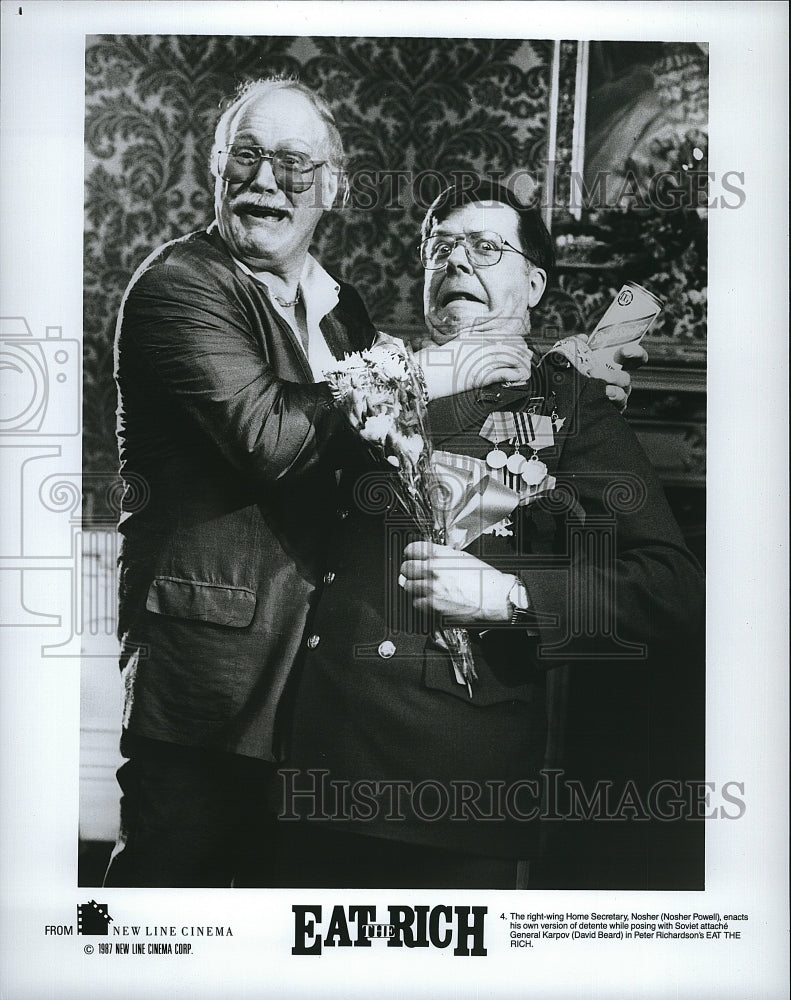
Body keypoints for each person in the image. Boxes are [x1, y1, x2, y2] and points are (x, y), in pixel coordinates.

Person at [105, 76, 643, 887]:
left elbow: (661, 586)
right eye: (244, 157)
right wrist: (435, 363)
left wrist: (507, 595)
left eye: (293, 162)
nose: (264, 180)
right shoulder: (181, 285)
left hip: (348, 732)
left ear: (333, 187)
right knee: (168, 911)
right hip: (213, 689)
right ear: (215, 171)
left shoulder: (346, 315)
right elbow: (272, 437)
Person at [274, 180, 705, 889]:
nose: (455, 263)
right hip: (312, 757)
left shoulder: (567, 405)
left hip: (452, 777)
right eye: (439, 249)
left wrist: (508, 596)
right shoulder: (370, 377)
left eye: (484, 247)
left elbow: (673, 589)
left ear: (532, 283)